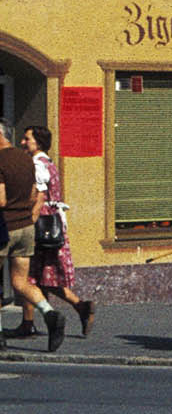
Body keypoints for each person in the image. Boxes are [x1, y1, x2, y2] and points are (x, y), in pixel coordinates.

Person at [15, 127, 94, 339]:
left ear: (38, 142)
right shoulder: (49, 162)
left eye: (27, 139)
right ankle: (31, 320)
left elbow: (39, 197)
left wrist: (28, 220)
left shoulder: (37, 165)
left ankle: (30, 322)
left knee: (31, 275)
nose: (23, 142)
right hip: (52, 222)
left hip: (41, 223)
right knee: (40, 276)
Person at [0, 122, 65, 351]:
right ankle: (50, 313)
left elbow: (1, 200)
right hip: (26, 227)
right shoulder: (26, 159)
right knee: (20, 281)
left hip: (4, 226)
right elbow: (35, 194)